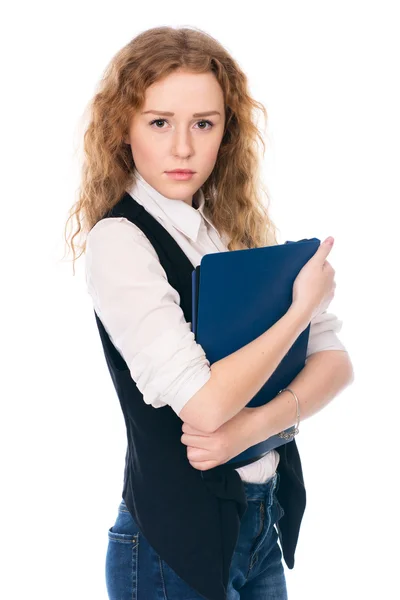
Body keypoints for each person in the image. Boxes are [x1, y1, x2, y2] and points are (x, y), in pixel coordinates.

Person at [64, 26, 354, 600]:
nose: (182, 148)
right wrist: (299, 312)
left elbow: (337, 365)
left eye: (204, 123)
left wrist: (247, 429)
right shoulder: (120, 241)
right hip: (172, 548)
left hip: (259, 528)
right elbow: (203, 403)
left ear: (227, 131)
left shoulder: (230, 232)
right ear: (124, 129)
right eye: (158, 122)